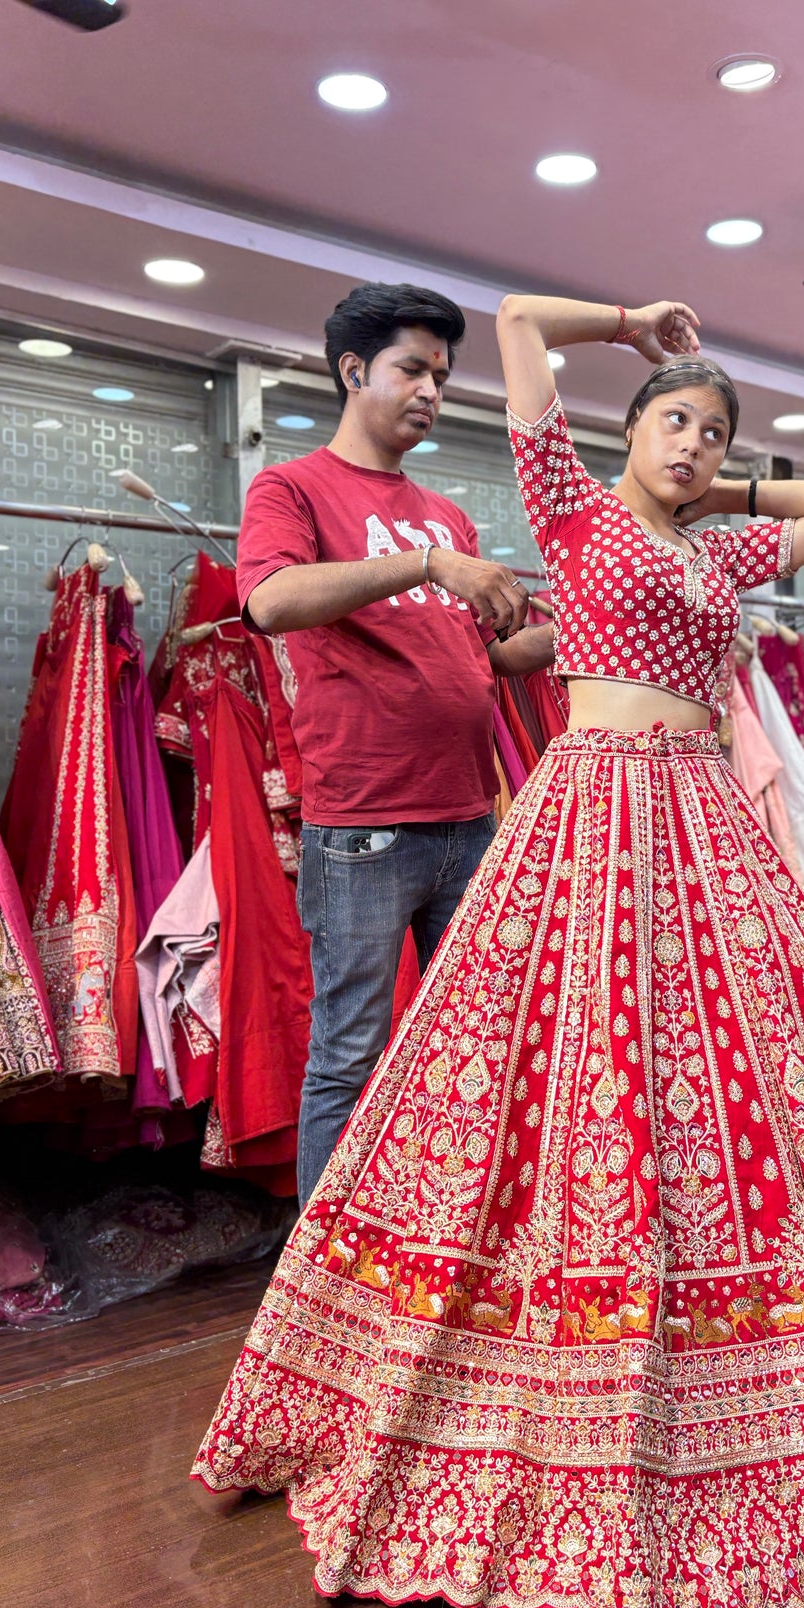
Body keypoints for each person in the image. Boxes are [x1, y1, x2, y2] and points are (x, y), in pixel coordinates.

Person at [195, 295, 804, 1608]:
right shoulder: (564, 506)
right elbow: (511, 324)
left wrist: (710, 466)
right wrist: (630, 337)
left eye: (713, 431)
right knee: (506, 1063)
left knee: (732, 1068)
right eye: (674, 421)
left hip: (699, 809)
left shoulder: (722, 553)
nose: (691, 442)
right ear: (625, 433)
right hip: (584, 804)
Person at [236, 281, 553, 1204]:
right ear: (352, 370)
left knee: (477, 1046)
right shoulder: (289, 486)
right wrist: (425, 562)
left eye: (443, 377)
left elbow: (479, 660)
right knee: (348, 1053)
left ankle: (444, 1242)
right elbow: (268, 601)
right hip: (365, 828)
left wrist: (564, 640)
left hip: (468, 815)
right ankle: (324, 1279)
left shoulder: (447, 514)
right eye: (412, 368)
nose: (430, 390)